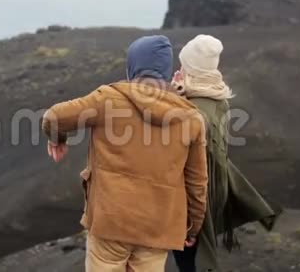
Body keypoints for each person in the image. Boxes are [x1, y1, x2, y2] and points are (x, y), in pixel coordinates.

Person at [42, 35, 209, 272]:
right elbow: (197, 182)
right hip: (157, 227)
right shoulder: (191, 119)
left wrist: (57, 138)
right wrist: (192, 228)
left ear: (133, 67)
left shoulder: (109, 99)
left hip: (111, 221)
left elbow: (54, 117)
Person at [171, 35, 282, 272]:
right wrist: (181, 95)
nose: (179, 69)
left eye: (184, 64)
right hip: (215, 188)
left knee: (191, 260)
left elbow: (176, 144)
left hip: (197, 197)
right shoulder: (218, 98)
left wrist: (173, 99)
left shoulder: (193, 112)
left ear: (192, 69)